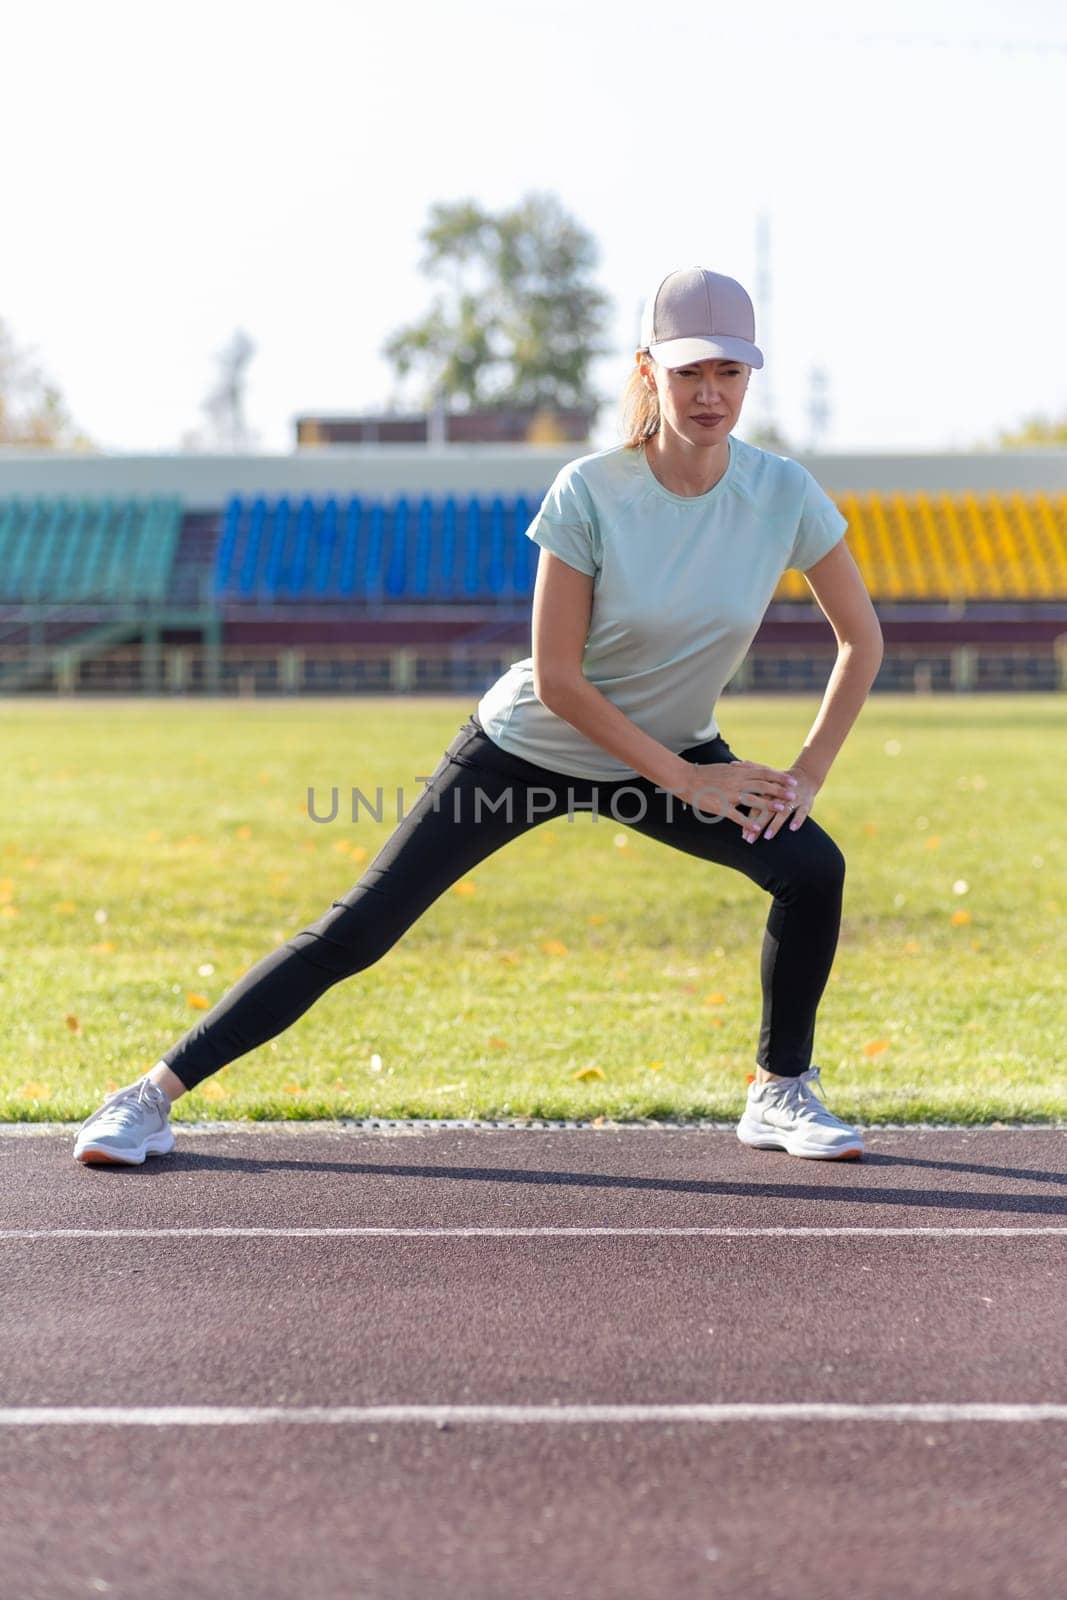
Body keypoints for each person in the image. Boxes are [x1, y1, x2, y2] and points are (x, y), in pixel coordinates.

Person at [73, 265, 884, 1167]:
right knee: (357, 933)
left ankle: (778, 1091)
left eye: (727, 373)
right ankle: (147, 1097)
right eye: (688, 371)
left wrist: (803, 774)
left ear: (748, 379)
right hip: (530, 746)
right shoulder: (588, 491)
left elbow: (861, 640)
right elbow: (560, 679)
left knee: (811, 868)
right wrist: (688, 779)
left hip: (664, 755)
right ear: (648, 370)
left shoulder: (781, 493)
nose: (708, 393)